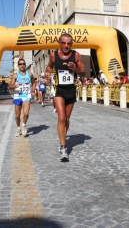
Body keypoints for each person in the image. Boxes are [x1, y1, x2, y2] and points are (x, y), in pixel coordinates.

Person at [45, 33, 86, 162]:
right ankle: (63, 147)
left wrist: (76, 69)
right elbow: (49, 67)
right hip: (59, 90)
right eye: (64, 43)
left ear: (71, 44)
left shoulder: (76, 55)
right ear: (60, 43)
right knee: (61, 118)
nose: (66, 46)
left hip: (71, 90)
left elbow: (84, 72)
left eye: (69, 43)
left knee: (67, 119)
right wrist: (47, 74)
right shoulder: (54, 55)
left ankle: (63, 136)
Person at [9, 59, 35, 137]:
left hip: (26, 95)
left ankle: (23, 126)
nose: (22, 65)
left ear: (25, 64)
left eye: (23, 63)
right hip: (17, 96)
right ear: (18, 65)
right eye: (20, 64)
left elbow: (34, 82)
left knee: (26, 113)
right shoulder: (15, 75)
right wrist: (14, 86)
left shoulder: (30, 74)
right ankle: (18, 127)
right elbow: (10, 86)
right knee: (17, 115)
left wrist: (33, 91)